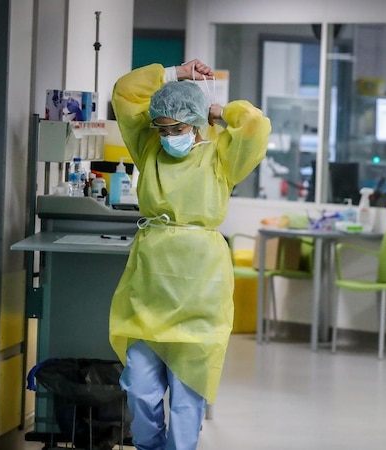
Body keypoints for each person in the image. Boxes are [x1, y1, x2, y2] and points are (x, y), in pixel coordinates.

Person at [108, 59, 271, 449]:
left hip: (201, 293)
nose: (168, 136)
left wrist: (217, 110)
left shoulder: (221, 158)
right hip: (150, 291)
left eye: (178, 128)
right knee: (140, 391)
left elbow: (254, 124)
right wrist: (175, 73)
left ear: (197, 125)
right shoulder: (148, 149)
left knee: (186, 402)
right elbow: (125, 92)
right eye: (162, 128)